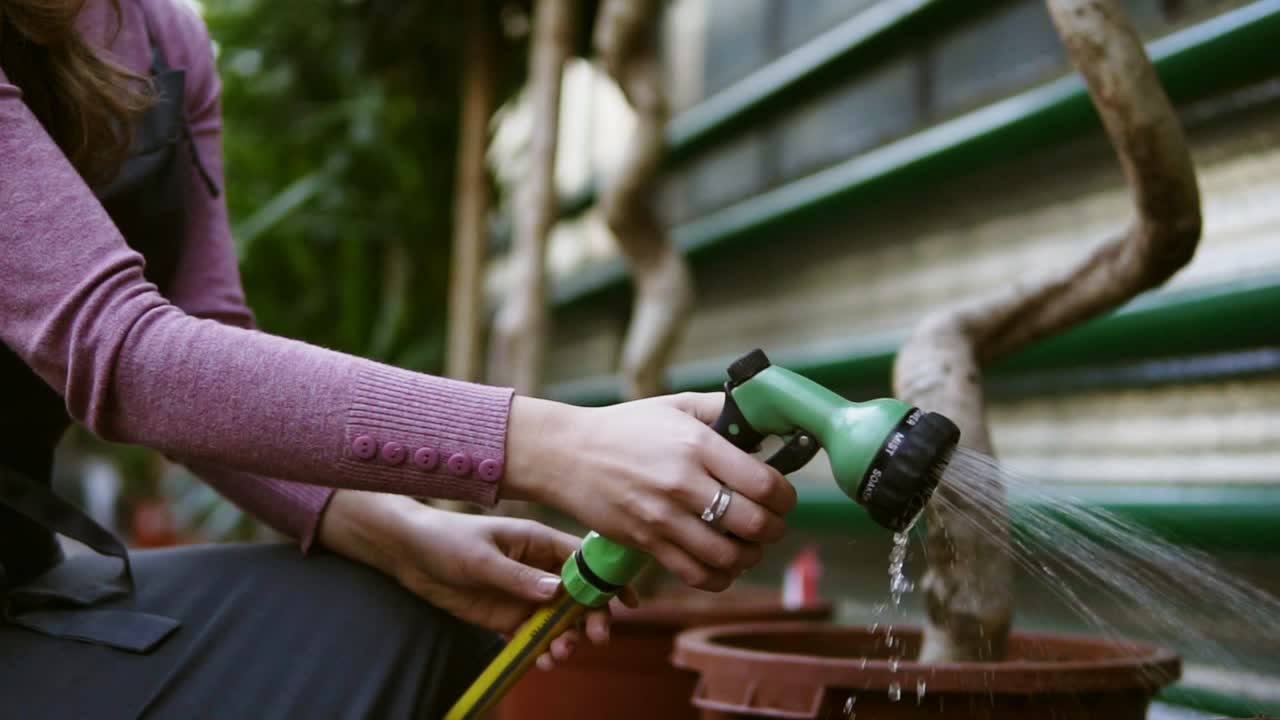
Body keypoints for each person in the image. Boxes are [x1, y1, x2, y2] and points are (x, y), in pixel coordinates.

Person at [0, 0, 797, 717]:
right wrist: (564, 447)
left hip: (22, 586)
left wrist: (394, 534)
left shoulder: (167, 40)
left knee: (401, 621)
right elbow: (132, 356)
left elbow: (208, 335)